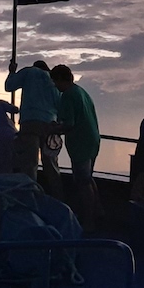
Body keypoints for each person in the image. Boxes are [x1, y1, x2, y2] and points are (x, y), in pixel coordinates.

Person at [50, 64, 100, 232]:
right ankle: (97, 213)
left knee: (82, 182)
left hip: (81, 144)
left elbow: (69, 124)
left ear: (59, 79)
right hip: (92, 140)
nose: (55, 86)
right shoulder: (81, 92)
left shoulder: (68, 96)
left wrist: (52, 128)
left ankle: (88, 221)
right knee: (88, 178)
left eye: (55, 82)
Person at [4, 58, 65, 197]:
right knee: (51, 164)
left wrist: (12, 71)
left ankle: (30, 197)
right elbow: (59, 105)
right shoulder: (53, 80)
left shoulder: (28, 72)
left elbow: (9, 86)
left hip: (30, 122)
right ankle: (58, 198)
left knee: (29, 164)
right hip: (50, 124)